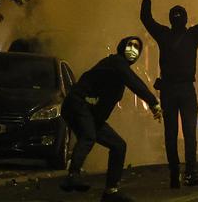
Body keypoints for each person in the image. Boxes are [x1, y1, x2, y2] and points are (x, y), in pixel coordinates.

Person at [60, 36, 162, 202]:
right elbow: (134, 82)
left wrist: (98, 119)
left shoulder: (120, 73)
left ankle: (111, 192)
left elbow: (106, 102)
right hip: (77, 103)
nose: (133, 50)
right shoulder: (116, 62)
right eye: (130, 45)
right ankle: (72, 175)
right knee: (88, 136)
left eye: (137, 48)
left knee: (118, 145)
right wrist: (153, 103)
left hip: (90, 112)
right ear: (122, 47)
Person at [140, 0, 198, 188]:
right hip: (185, 90)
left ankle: (174, 174)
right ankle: (190, 172)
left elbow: (145, 18)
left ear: (171, 20)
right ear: (184, 20)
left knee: (170, 134)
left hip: (168, 90)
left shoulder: (163, 35)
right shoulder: (192, 35)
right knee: (190, 134)